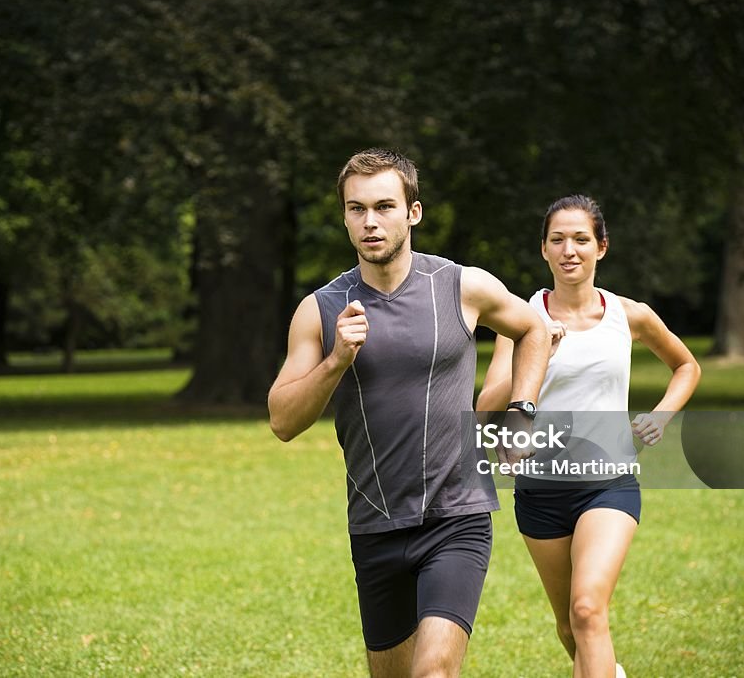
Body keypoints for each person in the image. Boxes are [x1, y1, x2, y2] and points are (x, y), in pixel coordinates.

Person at [268, 148, 551, 677]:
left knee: (433, 672)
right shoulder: (322, 309)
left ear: (412, 213)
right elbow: (283, 421)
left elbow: (532, 327)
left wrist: (523, 411)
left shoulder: (462, 286)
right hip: (374, 523)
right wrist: (335, 361)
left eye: (383, 206)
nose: (370, 222)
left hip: (456, 515)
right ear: (345, 217)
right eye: (356, 209)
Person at [477, 195, 701, 678]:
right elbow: (487, 405)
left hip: (608, 481)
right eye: (557, 239)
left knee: (586, 611)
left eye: (581, 239)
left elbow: (687, 366)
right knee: (567, 626)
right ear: (543, 250)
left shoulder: (630, 314)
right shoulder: (520, 317)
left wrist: (661, 415)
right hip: (539, 488)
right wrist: (537, 347)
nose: (569, 249)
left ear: (601, 247)